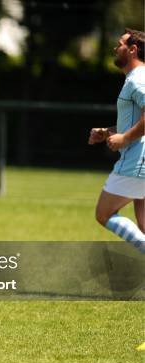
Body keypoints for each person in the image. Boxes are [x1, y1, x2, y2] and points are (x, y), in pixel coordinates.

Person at [88, 28, 145, 254]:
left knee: (104, 214)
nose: (115, 48)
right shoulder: (136, 78)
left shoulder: (138, 78)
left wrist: (124, 138)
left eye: (119, 44)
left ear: (132, 50)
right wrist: (107, 131)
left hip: (136, 161)